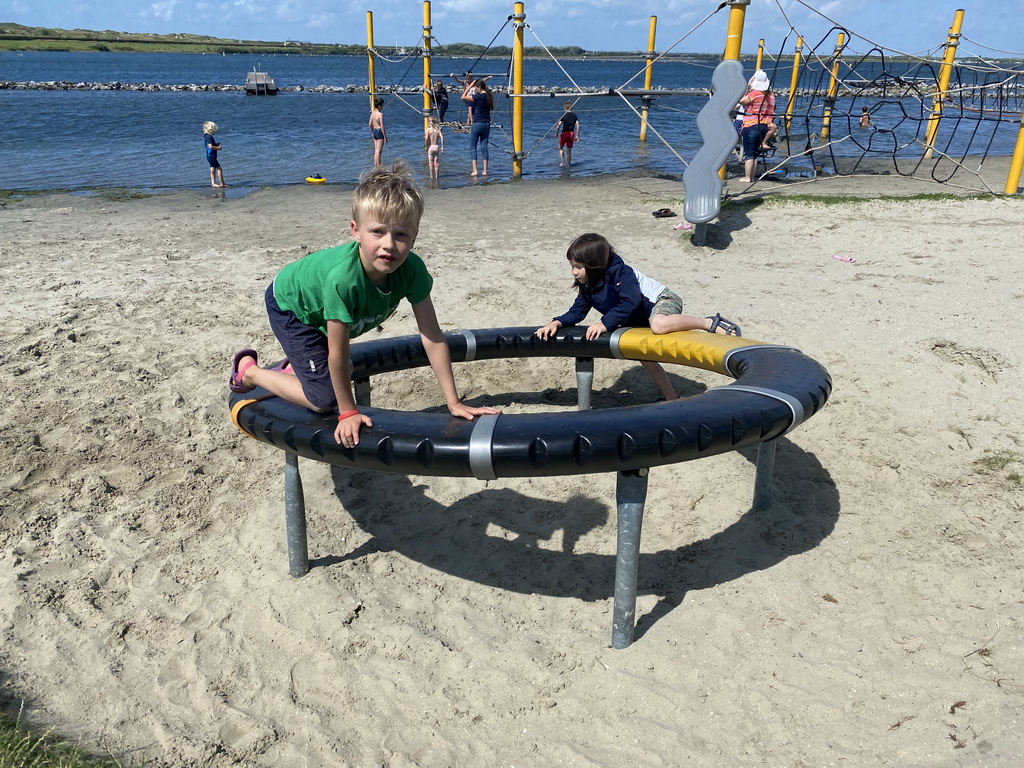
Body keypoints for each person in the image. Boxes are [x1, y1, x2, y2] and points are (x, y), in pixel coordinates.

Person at [229, 160, 500, 448]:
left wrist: (453, 402)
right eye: (378, 232)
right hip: (292, 306)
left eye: (401, 235)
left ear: (414, 236)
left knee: (332, 375)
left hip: (319, 305)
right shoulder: (343, 281)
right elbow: (337, 354)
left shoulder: (413, 271)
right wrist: (347, 412)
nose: (389, 245)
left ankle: (298, 365)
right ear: (356, 231)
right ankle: (250, 371)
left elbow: (432, 337)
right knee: (324, 400)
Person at [534, 233, 741, 401]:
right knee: (643, 354)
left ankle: (707, 322)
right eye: (572, 266)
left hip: (662, 300)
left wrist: (604, 323)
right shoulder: (588, 285)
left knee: (659, 324)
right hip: (638, 317)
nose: (574, 272)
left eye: (578, 267)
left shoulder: (621, 273)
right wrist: (557, 322)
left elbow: (630, 301)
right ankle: (671, 397)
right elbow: (578, 311)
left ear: (595, 264)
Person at [737, 69, 776, 183]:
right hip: (763, 125)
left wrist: (747, 89)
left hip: (751, 125)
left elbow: (741, 101)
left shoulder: (755, 93)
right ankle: (751, 177)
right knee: (754, 153)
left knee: (749, 154)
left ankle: (748, 177)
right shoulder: (770, 95)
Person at [461, 79, 493, 177]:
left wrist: (469, 87)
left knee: (473, 147)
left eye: (476, 88)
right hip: (486, 124)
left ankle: (475, 170)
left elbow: (463, 97)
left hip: (477, 123)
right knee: (484, 147)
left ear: (479, 87)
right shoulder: (488, 96)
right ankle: (485, 170)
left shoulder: (478, 97)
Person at [556, 100, 581, 168]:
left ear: (565, 108)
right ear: (571, 108)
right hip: (571, 133)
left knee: (560, 148)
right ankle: (568, 164)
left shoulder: (563, 115)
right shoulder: (574, 116)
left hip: (564, 133)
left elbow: (558, 125)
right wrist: (577, 135)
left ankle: (562, 161)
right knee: (569, 150)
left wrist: (556, 133)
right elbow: (578, 126)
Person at [202, 121, 225, 188]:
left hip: (209, 155)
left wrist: (216, 144)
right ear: (210, 129)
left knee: (212, 169)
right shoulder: (209, 136)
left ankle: (213, 183)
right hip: (211, 155)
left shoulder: (206, 136)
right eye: (214, 129)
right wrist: (219, 147)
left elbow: (210, 145)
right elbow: (210, 146)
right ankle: (221, 183)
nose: (215, 131)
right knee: (219, 168)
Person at [369, 97, 387, 166]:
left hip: (375, 131)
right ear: (379, 106)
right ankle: (378, 165)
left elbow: (370, 124)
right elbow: (382, 126)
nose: (383, 107)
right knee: (379, 151)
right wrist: (385, 137)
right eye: (382, 105)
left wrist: (372, 132)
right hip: (379, 131)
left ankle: (375, 164)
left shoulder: (372, 113)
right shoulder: (380, 114)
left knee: (376, 150)